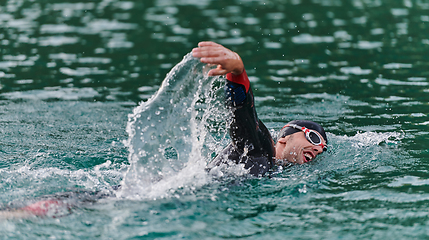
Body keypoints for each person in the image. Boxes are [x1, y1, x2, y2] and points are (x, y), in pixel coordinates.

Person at [192, 41, 328, 177]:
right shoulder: (262, 148)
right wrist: (238, 72)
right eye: (313, 138)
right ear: (285, 138)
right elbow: (243, 115)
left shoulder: (275, 168)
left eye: (323, 149)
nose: (318, 149)